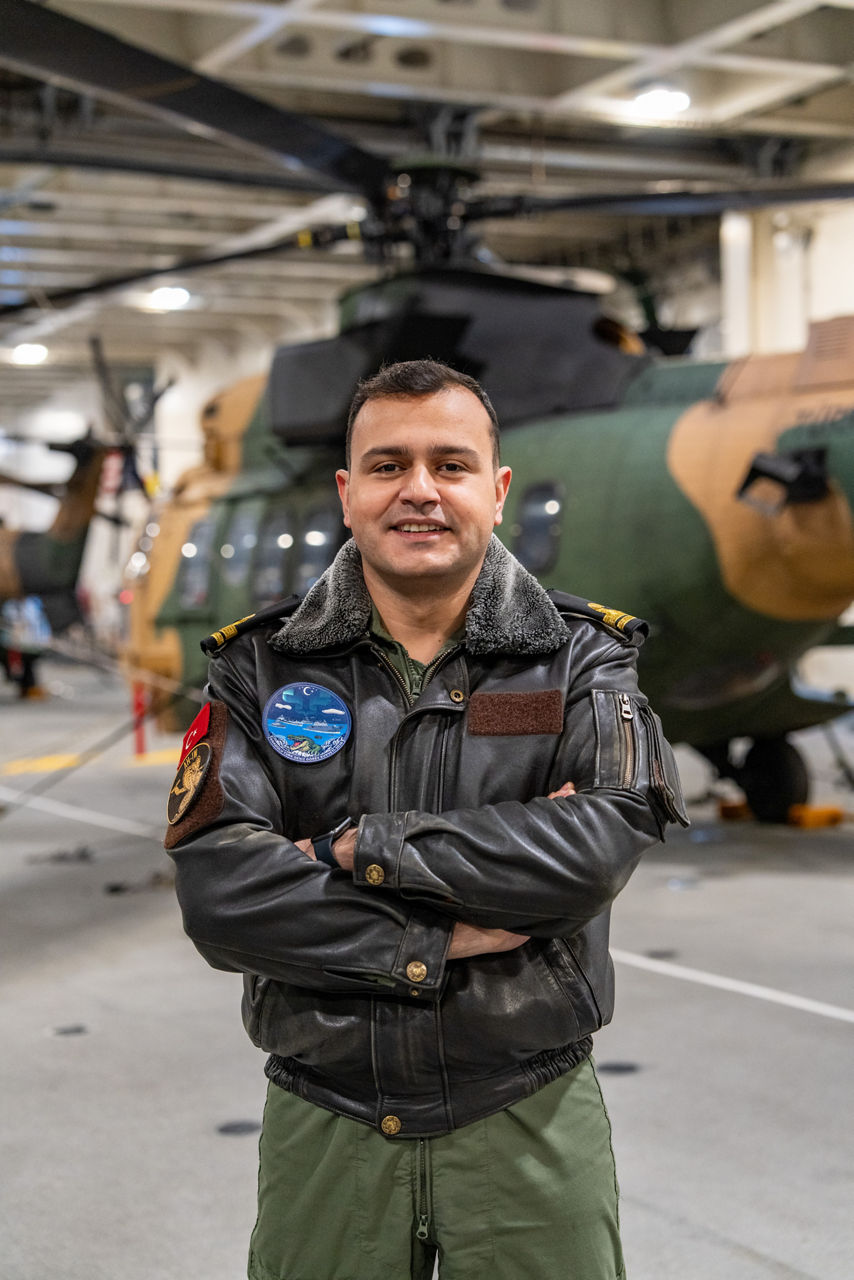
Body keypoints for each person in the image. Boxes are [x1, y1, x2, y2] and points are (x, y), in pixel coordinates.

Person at [165, 359, 688, 1280]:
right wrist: (447, 937)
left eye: (450, 465)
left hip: (527, 1112)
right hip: (326, 1118)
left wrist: (354, 846)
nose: (419, 491)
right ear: (347, 492)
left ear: (496, 488)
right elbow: (221, 892)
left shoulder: (581, 659)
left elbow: (591, 853)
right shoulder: (260, 667)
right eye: (387, 465)